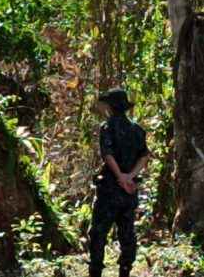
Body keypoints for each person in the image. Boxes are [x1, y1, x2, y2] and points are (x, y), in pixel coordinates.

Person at [88, 88, 150, 277]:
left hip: (109, 189)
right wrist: (130, 176)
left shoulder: (107, 128)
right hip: (128, 191)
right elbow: (145, 156)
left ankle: (96, 272)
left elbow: (108, 155)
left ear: (110, 107)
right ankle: (125, 271)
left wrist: (120, 177)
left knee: (99, 233)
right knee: (127, 234)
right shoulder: (137, 130)